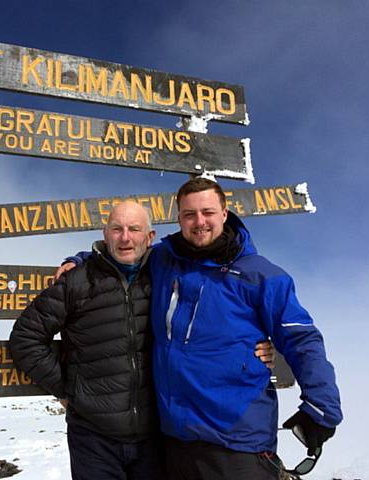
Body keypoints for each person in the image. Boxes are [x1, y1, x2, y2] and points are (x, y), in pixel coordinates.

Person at [61, 179, 342, 479]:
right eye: (189, 214)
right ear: (179, 218)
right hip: (174, 443)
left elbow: (301, 338)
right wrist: (78, 261)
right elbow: (123, 253)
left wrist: (321, 407)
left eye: (207, 212)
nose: (199, 222)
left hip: (236, 446)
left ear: (224, 213)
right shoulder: (164, 259)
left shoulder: (260, 275)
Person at [9, 200, 276, 480]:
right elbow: (26, 337)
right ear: (105, 234)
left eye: (134, 229)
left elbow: (214, 313)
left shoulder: (165, 276)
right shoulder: (77, 282)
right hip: (93, 438)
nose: (125, 237)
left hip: (155, 437)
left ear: (149, 238)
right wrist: (68, 389)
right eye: (117, 229)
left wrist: (259, 344)